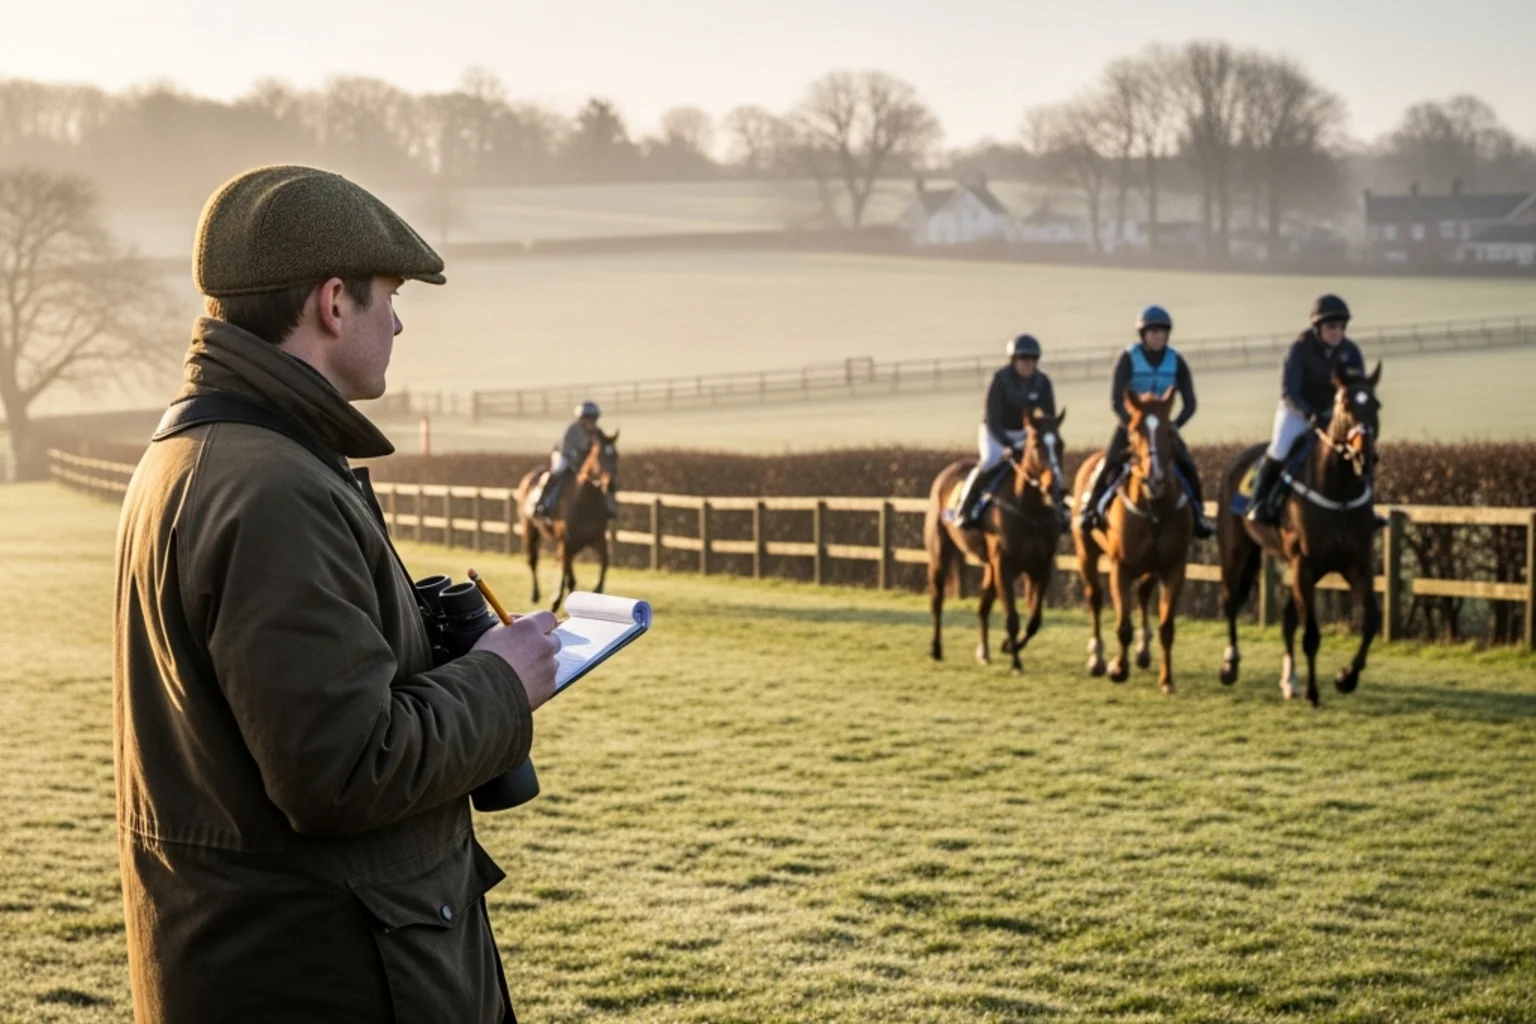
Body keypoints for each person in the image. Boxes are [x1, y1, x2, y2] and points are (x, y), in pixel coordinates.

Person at [113, 165, 562, 1023]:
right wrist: (502, 680)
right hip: (328, 974)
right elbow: (344, 770)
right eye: (388, 297)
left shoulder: (197, 454)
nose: (397, 322)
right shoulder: (272, 486)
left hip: (268, 958)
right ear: (331, 303)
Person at [1077, 305, 1215, 538]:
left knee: (1188, 465)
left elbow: (1190, 403)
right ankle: (1089, 510)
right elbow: (1115, 400)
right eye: (1152, 332)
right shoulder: (1128, 358)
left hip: (1162, 429)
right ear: (1143, 335)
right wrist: (1131, 424)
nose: (1157, 336)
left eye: (1161, 332)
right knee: (1109, 462)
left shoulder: (1176, 360)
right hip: (1132, 425)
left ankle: (1199, 516)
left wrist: (1174, 426)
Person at [1247, 293, 1370, 526]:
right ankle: (1259, 502)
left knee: (1362, 449)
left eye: (1341, 326)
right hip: (1298, 411)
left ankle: (1367, 508)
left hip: (1335, 416)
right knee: (1280, 449)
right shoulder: (1299, 350)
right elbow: (1289, 392)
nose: (1336, 331)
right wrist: (1309, 414)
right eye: (1331, 326)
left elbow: (1358, 388)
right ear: (1318, 327)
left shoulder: (1351, 352)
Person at [950, 333, 1070, 530]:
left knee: (1049, 466)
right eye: (1023, 359)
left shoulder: (1042, 382)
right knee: (989, 462)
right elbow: (993, 417)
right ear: (1014, 360)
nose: (1028, 364)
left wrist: (1045, 437)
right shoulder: (1000, 379)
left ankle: (1061, 511)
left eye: (1032, 360)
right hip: (995, 432)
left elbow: (1049, 418)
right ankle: (965, 508)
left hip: (1025, 433)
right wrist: (1007, 444)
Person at [535, 400, 603, 518]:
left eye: (593, 419)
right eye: (587, 418)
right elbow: (566, 449)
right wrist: (576, 463)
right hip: (564, 456)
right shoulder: (572, 430)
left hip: (583, 462)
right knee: (557, 472)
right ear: (580, 418)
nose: (591, 422)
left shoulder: (596, 432)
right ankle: (542, 503)